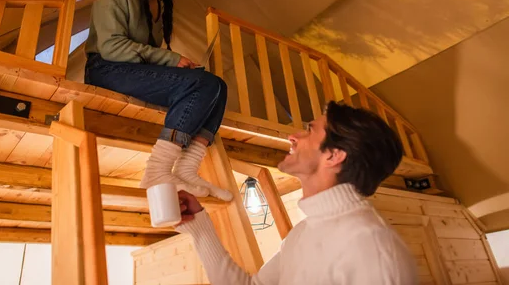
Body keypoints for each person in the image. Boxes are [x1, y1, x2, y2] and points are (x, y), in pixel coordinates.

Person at [177, 101, 419, 284]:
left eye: (309, 130)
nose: (293, 136)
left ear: (334, 155)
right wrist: (199, 227)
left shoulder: (372, 248)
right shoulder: (301, 234)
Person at [84, 0, 231, 201]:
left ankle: (187, 168)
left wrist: (179, 66)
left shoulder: (159, 5)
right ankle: (159, 169)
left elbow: (145, 54)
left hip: (127, 71)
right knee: (204, 83)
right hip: (104, 69)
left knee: (218, 85)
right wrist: (172, 60)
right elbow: (112, 48)